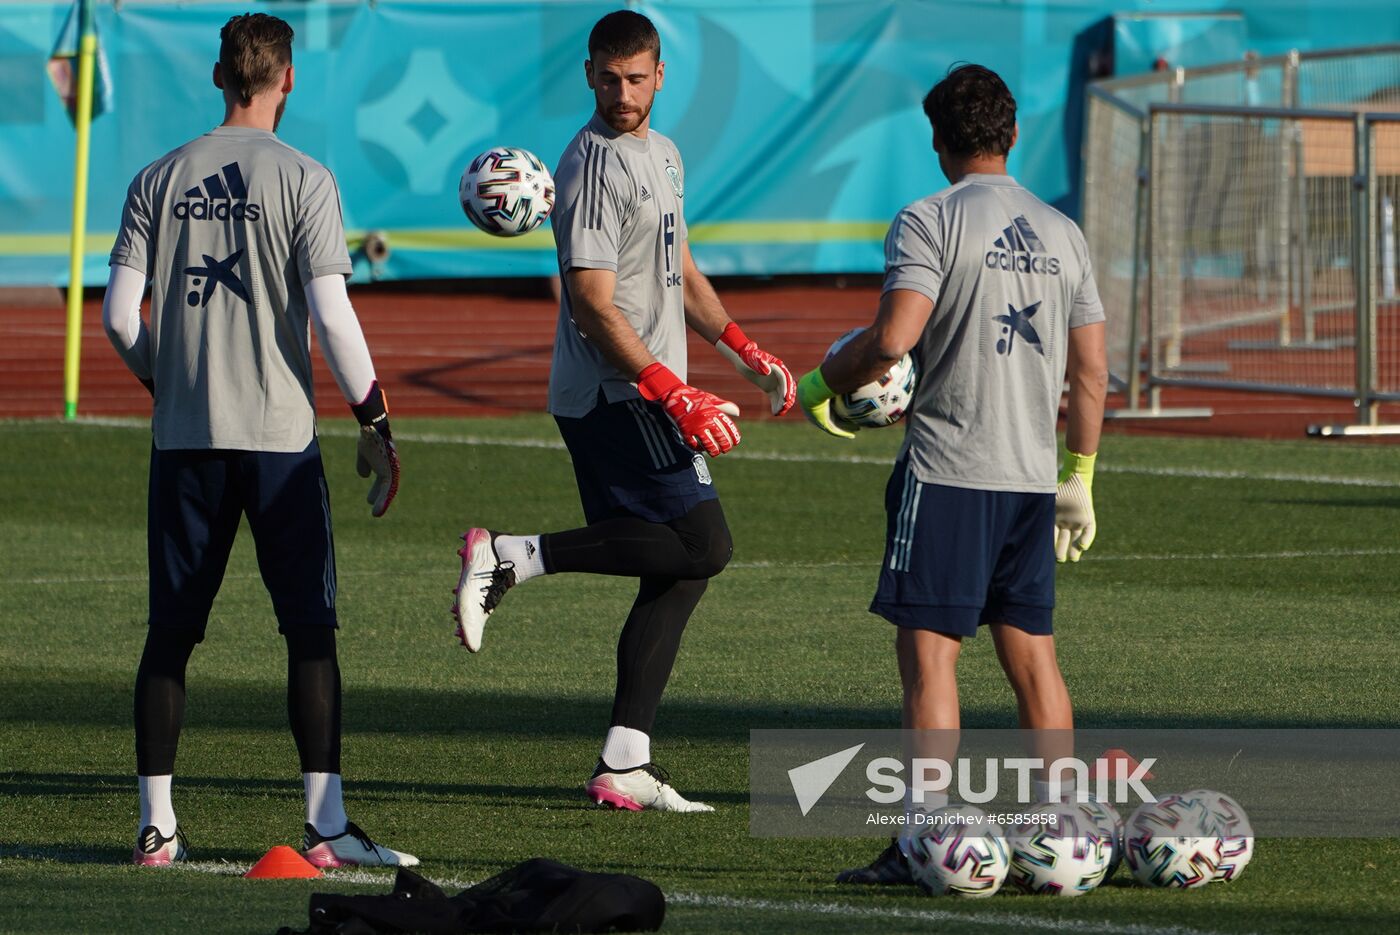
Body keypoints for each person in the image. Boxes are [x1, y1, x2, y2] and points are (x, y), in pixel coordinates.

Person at [451, 9, 794, 813]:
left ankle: (625, 760)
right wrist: (672, 388)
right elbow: (595, 306)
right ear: (588, 75)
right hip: (615, 391)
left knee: (678, 566)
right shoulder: (592, 166)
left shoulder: (662, 155)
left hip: (645, 387)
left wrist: (745, 349)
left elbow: (679, 264)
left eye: (637, 78)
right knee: (703, 544)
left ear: (661, 74)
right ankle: (510, 555)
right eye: (609, 78)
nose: (623, 93)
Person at [104, 12, 413, 868]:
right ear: (287, 81)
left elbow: (118, 317)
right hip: (279, 442)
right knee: (309, 629)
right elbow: (333, 316)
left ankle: (155, 829)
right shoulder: (306, 177)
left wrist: (167, 384)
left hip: (187, 441)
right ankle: (326, 827)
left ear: (218, 77)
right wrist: (376, 421)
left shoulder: (157, 177)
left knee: (171, 633)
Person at [795, 64, 1108, 883]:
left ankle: (921, 843)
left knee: (931, 658)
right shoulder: (1061, 229)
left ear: (938, 140)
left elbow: (895, 337)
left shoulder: (929, 218)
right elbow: (1093, 372)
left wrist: (828, 378)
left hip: (949, 471)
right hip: (1031, 478)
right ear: (1011, 135)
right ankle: (1062, 837)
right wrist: (1079, 472)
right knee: (1034, 656)